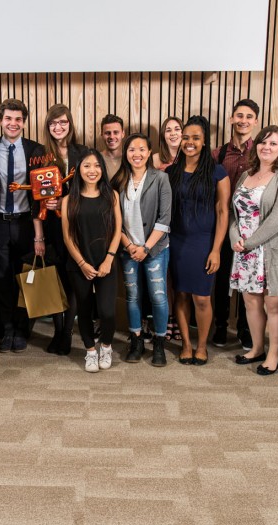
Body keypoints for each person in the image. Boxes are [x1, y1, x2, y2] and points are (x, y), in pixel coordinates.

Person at [229, 125, 278, 375]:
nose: (266, 147)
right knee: (250, 302)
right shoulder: (246, 174)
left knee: (273, 304)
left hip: (270, 249)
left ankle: (273, 354)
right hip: (244, 250)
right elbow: (235, 215)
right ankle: (257, 347)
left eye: (273, 143)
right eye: (263, 142)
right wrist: (235, 238)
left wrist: (249, 242)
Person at [0, 99, 45, 353]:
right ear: (0, 121)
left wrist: (39, 235)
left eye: (18, 119)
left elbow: (40, 193)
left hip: (27, 223)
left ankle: (22, 328)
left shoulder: (36, 150)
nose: (13, 123)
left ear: (24, 123)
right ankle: (6, 329)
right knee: (3, 277)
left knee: (26, 277)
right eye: (8, 118)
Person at [167, 116, 230, 365]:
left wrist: (216, 250)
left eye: (195, 138)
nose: (189, 142)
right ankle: (185, 343)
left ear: (204, 142)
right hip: (177, 241)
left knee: (202, 297)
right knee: (181, 294)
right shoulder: (171, 172)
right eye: (186, 137)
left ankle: (202, 346)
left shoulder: (217, 171)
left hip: (204, 242)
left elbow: (223, 211)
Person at [112, 133, 172, 366]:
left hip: (155, 248)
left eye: (141, 149)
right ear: (126, 154)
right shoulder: (118, 180)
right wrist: (128, 245)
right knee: (133, 296)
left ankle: (159, 342)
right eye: (131, 150)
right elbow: (114, 220)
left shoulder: (160, 178)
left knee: (158, 297)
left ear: (149, 153)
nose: (136, 154)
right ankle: (136, 340)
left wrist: (146, 247)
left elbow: (165, 218)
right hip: (128, 248)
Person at [61, 149, 122, 372]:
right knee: (84, 310)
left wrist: (109, 260)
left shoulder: (112, 195)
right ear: (78, 170)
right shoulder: (69, 200)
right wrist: (82, 264)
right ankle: (90, 351)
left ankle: (106, 346)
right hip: (79, 265)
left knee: (107, 312)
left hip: (107, 262)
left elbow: (117, 231)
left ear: (102, 169)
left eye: (96, 165)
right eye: (87, 166)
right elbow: (67, 237)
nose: (92, 170)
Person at [211, 99, 260, 350]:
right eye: (239, 115)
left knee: (248, 278)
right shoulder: (218, 154)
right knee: (221, 277)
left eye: (249, 116)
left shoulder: (260, 153)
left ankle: (244, 328)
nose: (243, 120)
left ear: (255, 121)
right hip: (222, 222)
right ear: (231, 119)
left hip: (250, 225)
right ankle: (220, 325)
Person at [39, 104, 88, 355]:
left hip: (78, 227)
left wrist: (65, 202)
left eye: (63, 122)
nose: (58, 127)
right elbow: (34, 198)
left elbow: (92, 190)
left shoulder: (83, 152)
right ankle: (58, 330)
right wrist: (38, 235)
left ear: (70, 124)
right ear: (48, 127)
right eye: (53, 123)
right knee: (54, 280)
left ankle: (68, 331)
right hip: (51, 226)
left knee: (74, 280)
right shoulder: (40, 154)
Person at [152, 116, 183, 340]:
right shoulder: (155, 159)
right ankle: (169, 317)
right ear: (163, 135)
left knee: (181, 275)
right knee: (165, 276)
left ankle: (181, 320)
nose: (173, 133)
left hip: (184, 221)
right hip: (162, 223)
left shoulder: (192, 157)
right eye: (168, 129)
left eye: (177, 129)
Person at [100, 114, 125, 178]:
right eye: (107, 133)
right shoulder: (96, 159)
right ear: (102, 134)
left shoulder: (131, 158)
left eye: (116, 132)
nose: (111, 137)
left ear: (123, 134)